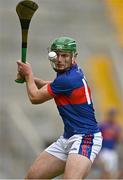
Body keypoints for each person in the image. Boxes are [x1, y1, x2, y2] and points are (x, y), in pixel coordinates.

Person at [16, 36, 102, 179]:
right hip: (67, 137)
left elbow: (35, 98)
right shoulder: (69, 75)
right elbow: (47, 85)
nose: (60, 59)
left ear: (74, 56)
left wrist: (28, 74)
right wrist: (28, 78)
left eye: (65, 55)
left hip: (85, 138)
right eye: (57, 55)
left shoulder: (68, 79)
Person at [98, 108, 121, 179]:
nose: (112, 116)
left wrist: (117, 135)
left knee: (112, 173)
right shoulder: (102, 126)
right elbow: (98, 139)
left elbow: (118, 140)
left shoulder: (117, 127)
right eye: (111, 114)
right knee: (105, 171)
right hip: (104, 151)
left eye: (113, 115)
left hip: (113, 151)